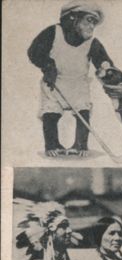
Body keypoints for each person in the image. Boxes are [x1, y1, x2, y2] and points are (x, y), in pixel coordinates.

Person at [28, 1, 113, 157]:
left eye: (94, 22)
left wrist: (105, 68)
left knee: (83, 113)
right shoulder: (53, 33)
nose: (92, 26)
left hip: (79, 84)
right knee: (51, 113)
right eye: (88, 20)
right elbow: (34, 52)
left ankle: (80, 145)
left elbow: (104, 62)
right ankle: (52, 145)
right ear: (73, 18)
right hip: (55, 82)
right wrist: (47, 65)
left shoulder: (91, 43)